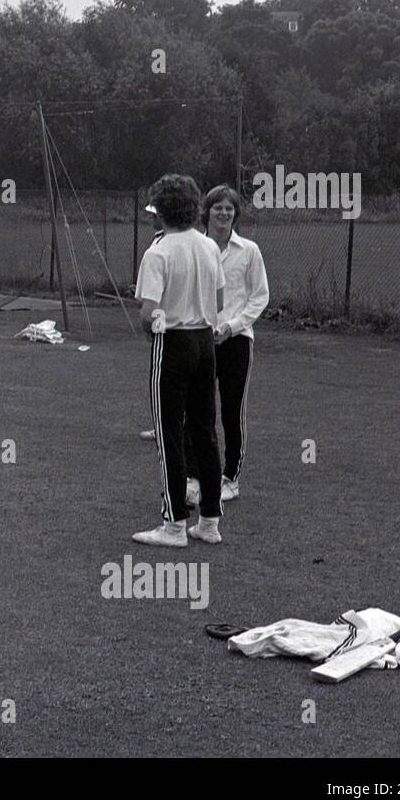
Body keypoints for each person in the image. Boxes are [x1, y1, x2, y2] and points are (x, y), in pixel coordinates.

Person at [132, 173, 226, 547]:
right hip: (205, 343)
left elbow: (148, 314)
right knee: (204, 431)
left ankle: (173, 525)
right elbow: (218, 303)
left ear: (162, 212)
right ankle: (210, 521)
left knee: (169, 432)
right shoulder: (209, 247)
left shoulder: (158, 252)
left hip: (173, 344)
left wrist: (157, 325)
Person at [183, 186, 270, 504]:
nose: (223, 213)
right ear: (207, 212)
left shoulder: (249, 250)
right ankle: (193, 477)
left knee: (232, 412)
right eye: (217, 208)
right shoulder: (195, 247)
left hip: (236, 342)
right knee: (195, 411)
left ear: (235, 214)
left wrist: (232, 326)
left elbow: (260, 296)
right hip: (200, 340)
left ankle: (230, 478)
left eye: (229, 209)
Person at [137, 202, 166, 442]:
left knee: (164, 379)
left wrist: (151, 326)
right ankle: (166, 426)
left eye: (154, 214)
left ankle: (167, 429)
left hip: (166, 323)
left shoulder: (161, 246)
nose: (151, 218)